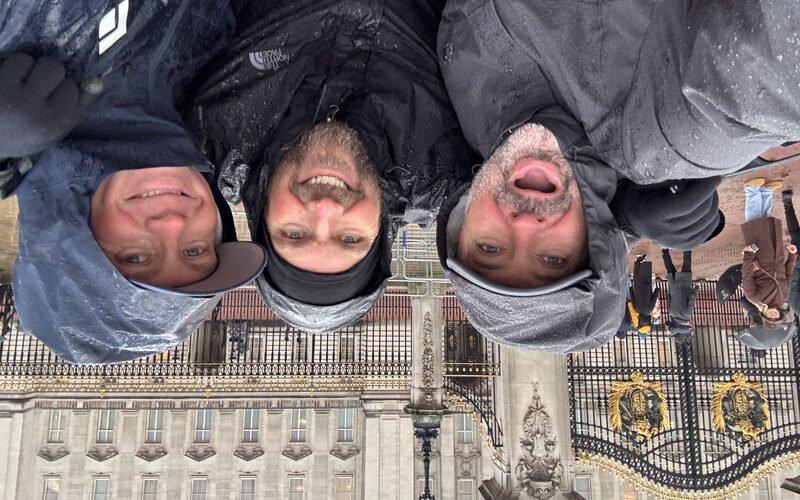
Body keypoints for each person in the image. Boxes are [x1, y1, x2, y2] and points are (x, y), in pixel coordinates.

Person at [434, 0, 796, 351]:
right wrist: (623, 214)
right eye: (554, 259)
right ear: (591, 242)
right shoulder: (666, 131)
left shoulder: (469, 128)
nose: (525, 225)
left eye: (489, 248)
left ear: (461, 224)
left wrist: (622, 219)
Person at [184, 0, 477, 333]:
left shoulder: (212, 131)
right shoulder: (442, 166)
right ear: (380, 233)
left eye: (294, 233)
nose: (324, 209)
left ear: (262, 216)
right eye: (350, 238)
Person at [0, 1, 267, 364]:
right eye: (195, 251)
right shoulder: (214, 62)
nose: (173, 225)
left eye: (135, 256)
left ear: (66, 235)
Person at [740, 178, 797, 327]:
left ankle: (751, 190)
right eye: (776, 317)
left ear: (764, 314)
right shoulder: (783, 298)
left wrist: (749, 254)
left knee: (754, 222)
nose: (773, 315)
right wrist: (792, 255)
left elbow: (746, 275)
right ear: (779, 314)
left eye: (769, 317)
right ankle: (765, 192)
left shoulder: (754, 298)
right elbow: (788, 275)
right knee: (767, 221)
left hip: (758, 254)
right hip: (776, 254)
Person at [661, 249, 697, 344]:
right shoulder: (671, 313)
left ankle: (687, 249)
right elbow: (668, 299)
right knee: (669, 268)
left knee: (687, 266)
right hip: (674, 287)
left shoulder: (687, 315)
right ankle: (664, 252)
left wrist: (696, 289)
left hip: (684, 287)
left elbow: (691, 300)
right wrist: (672, 330)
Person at [629, 256, 658, 338]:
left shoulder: (649, 310)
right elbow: (632, 299)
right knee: (637, 276)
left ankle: (644, 262)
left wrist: (656, 290)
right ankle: (638, 261)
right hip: (638, 289)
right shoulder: (637, 309)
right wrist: (630, 289)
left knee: (645, 275)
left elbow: (653, 299)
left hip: (647, 289)